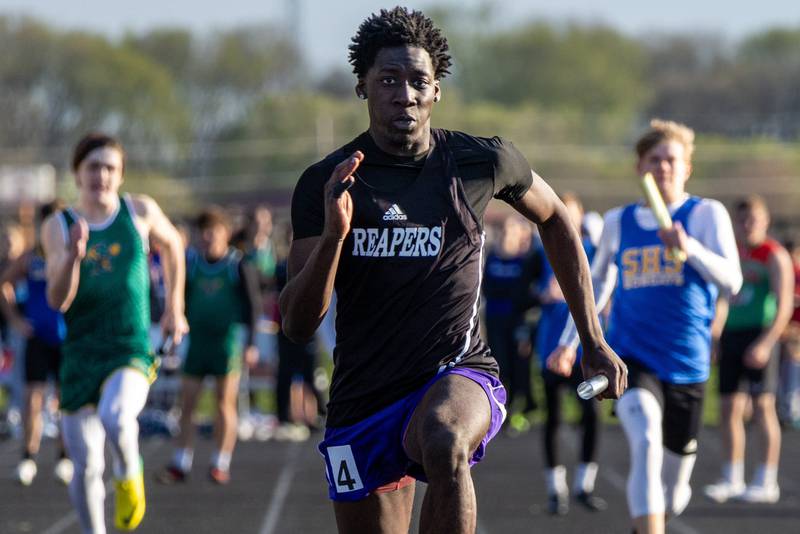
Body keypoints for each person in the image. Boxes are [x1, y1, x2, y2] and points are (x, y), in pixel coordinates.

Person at [278, 7, 626, 534]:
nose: (405, 94)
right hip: (363, 393)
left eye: (419, 80)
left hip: (455, 371)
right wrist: (333, 237)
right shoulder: (325, 181)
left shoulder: (479, 161)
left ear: (436, 90)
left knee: (444, 438)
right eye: (388, 80)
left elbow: (556, 217)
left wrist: (591, 338)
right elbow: (298, 324)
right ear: (362, 88)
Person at [550, 119, 742, 534]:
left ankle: (648, 522)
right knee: (646, 440)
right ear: (640, 168)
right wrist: (572, 342)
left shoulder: (706, 214)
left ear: (687, 167)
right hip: (633, 358)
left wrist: (688, 248)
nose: (663, 167)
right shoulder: (621, 222)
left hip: (688, 365)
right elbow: (594, 285)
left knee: (674, 491)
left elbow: (733, 280)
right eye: (654, 160)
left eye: (672, 159)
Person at [42, 133, 188, 533]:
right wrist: (73, 255)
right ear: (77, 173)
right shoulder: (59, 225)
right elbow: (58, 300)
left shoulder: (138, 211)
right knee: (86, 464)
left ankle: (129, 471)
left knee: (117, 416)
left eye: (110, 167)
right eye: (93, 166)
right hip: (80, 353)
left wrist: (175, 307)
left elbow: (174, 245)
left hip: (129, 348)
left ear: (121, 175)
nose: (101, 175)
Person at [158, 206, 261, 485]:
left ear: (225, 233)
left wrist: (251, 344)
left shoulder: (237, 264)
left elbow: (253, 306)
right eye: (203, 232)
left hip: (225, 345)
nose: (207, 237)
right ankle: (180, 461)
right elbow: (179, 301)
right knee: (187, 403)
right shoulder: (191, 264)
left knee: (224, 404)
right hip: (198, 344)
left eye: (212, 231)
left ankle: (220, 462)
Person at [703, 196, 794, 504]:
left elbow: (784, 305)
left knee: (763, 408)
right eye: (742, 220)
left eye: (753, 219)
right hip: (732, 336)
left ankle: (766, 480)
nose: (747, 225)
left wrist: (766, 343)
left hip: (760, 336)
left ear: (765, 221)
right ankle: (732, 477)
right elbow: (723, 300)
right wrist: (714, 337)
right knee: (729, 408)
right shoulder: (732, 255)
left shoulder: (774, 255)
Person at [538, 193, 606, 515]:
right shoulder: (541, 252)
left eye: (573, 213)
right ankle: (556, 489)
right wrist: (541, 293)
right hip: (550, 350)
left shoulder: (595, 253)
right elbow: (521, 292)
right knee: (553, 418)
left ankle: (585, 485)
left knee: (591, 415)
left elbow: (607, 292)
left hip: (585, 352)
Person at [0, 201, 73, 486]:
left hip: (67, 340)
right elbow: (3, 284)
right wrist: (16, 320)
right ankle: (28, 457)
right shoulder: (30, 258)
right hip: (38, 339)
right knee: (33, 400)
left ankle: (64, 458)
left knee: (66, 401)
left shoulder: (72, 256)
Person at [482, 215, 538, 416]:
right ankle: (500, 409)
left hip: (517, 321)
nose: (507, 235)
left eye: (512, 231)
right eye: (505, 230)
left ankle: (519, 407)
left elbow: (526, 293)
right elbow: (486, 287)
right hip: (495, 320)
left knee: (519, 366)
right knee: (500, 364)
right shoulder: (492, 257)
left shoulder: (525, 260)